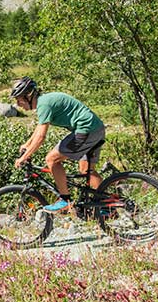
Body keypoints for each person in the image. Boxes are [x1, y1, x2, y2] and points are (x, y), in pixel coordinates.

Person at [11, 76, 105, 213]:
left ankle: (64, 200)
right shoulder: (44, 102)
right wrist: (27, 144)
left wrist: (24, 157)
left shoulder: (44, 104)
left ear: (28, 96)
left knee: (52, 159)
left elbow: (41, 137)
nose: (18, 104)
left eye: (19, 99)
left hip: (86, 130)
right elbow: (39, 129)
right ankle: (106, 206)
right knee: (86, 171)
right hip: (96, 129)